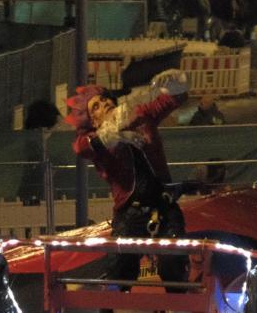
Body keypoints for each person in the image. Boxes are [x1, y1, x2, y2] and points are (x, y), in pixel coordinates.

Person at [67, 70, 191, 283]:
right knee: (120, 271)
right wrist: (108, 135)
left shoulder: (140, 115)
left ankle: (177, 310)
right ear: (93, 121)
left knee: (174, 268)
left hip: (163, 206)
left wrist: (176, 85)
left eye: (104, 99)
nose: (103, 104)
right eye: (95, 106)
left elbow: (171, 101)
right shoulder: (95, 141)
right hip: (129, 215)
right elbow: (81, 148)